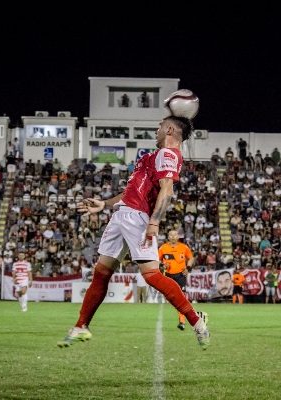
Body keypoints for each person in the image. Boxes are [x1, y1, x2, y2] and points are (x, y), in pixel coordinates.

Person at [57, 115, 210, 349]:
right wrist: (104, 204)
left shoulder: (168, 154)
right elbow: (130, 192)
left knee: (151, 276)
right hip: (123, 214)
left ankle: (196, 321)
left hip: (137, 218)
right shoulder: (152, 156)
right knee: (101, 273)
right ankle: (81, 326)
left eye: (160, 126)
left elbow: (167, 190)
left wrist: (155, 222)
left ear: (169, 129)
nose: (157, 129)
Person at [158, 230, 195, 330]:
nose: (173, 236)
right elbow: (157, 260)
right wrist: (162, 265)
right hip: (168, 276)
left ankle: (182, 321)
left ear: (178, 236)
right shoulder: (163, 248)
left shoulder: (184, 247)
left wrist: (188, 268)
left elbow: (191, 258)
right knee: (172, 299)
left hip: (180, 276)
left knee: (181, 298)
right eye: (171, 235)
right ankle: (186, 315)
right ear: (168, 236)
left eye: (175, 235)